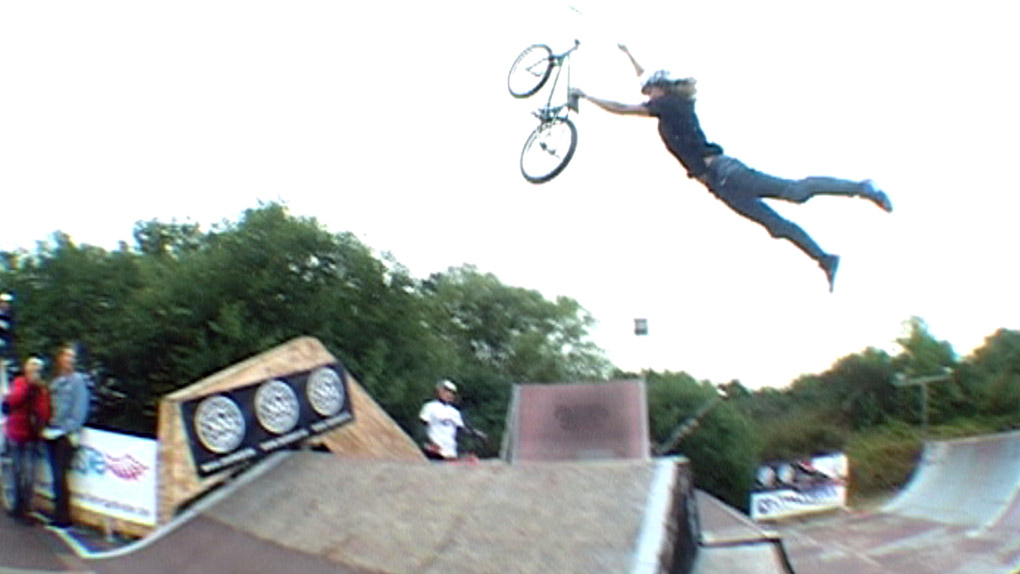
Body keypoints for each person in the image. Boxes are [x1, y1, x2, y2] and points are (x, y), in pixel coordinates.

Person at [570, 45, 893, 292]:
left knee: (796, 192)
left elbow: (623, 109)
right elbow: (646, 76)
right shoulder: (669, 100)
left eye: (649, 91)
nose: (645, 95)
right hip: (718, 184)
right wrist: (628, 53)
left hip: (727, 172)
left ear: (660, 89)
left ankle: (863, 187)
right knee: (776, 225)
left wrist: (587, 96)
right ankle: (825, 259)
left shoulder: (668, 104)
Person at [41, 344, 90, 529]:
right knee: (55, 475)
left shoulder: (78, 381)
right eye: (66, 356)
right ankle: (57, 514)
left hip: (66, 435)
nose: (69, 360)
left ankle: (64, 517)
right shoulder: (56, 381)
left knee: (61, 475)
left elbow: (80, 409)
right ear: (60, 359)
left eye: (72, 357)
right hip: (51, 432)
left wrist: (69, 429)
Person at [2, 357, 51, 524]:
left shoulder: (41, 389)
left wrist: (37, 393)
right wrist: (27, 388)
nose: (34, 374)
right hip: (16, 433)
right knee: (16, 470)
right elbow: (12, 400)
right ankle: (15, 505)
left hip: (31, 435)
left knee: (29, 473)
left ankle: (26, 507)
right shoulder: (19, 383)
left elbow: (44, 412)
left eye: (36, 371)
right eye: (31, 370)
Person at [419, 379, 465, 461]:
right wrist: (430, 443)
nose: (448, 394)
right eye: (445, 391)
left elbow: (460, 432)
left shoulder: (455, 412)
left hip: (450, 452)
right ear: (439, 392)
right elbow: (422, 426)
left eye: (451, 392)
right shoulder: (430, 407)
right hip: (434, 451)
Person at [0, 293, 15, 389]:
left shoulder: (9, 316)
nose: (6, 305)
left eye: (7, 303)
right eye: (4, 302)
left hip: (5, 349)